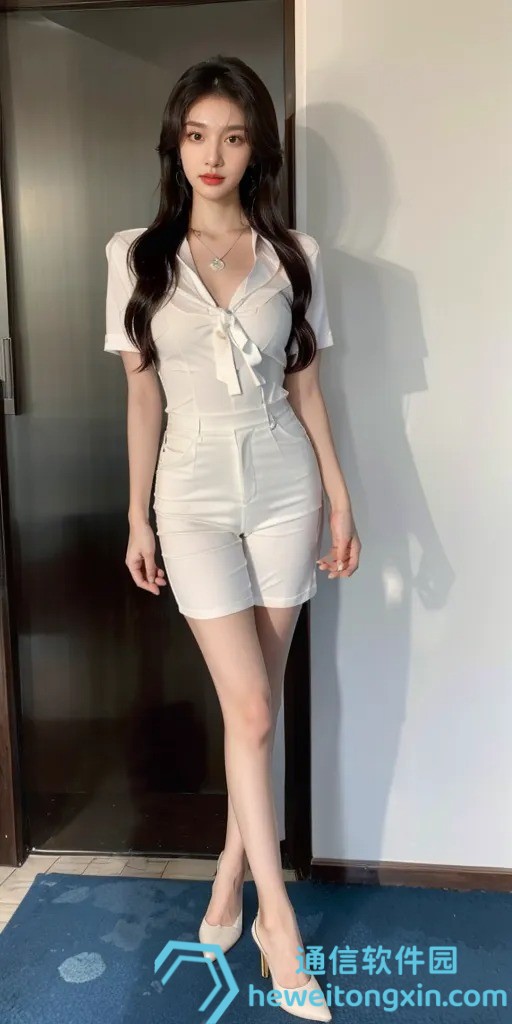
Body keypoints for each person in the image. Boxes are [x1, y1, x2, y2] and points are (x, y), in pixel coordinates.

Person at [104, 55, 361, 1022]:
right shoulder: (136, 254)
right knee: (249, 707)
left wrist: (340, 497)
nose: (214, 154)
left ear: (258, 151)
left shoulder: (295, 252)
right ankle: (275, 925)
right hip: (193, 493)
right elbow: (142, 397)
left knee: (256, 711)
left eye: (235, 136)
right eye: (198, 134)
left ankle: (225, 876)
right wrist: (137, 514)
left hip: (286, 484)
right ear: (176, 144)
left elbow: (306, 385)